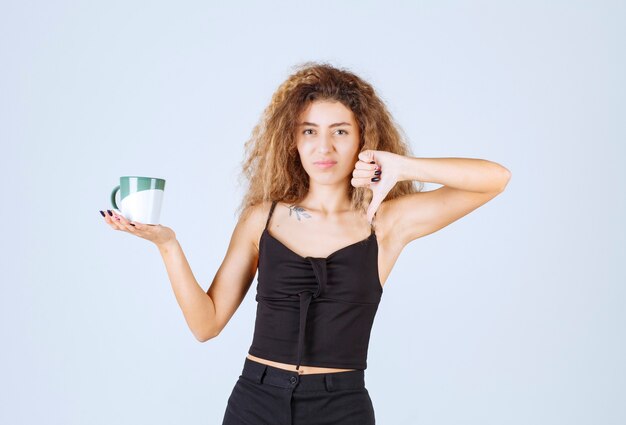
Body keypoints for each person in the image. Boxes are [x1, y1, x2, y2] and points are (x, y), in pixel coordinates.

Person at [99, 61, 511, 424]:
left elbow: (496, 179)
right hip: (254, 402)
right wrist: (167, 245)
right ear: (292, 141)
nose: (324, 146)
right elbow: (205, 325)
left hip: (341, 407)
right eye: (309, 131)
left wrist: (402, 167)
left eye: (340, 131)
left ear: (362, 139)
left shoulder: (385, 223)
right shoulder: (263, 218)